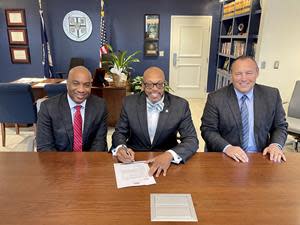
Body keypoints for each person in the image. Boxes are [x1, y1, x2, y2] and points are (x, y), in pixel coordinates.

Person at [111, 66, 199, 177]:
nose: (155, 89)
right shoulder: (129, 103)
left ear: (164, 85)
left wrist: (169, 154)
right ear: (142, 86)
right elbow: (120, 132)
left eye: (159, 84)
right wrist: (121, 148)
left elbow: (191, 140)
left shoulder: (180, 105)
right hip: (135, 159)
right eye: (149, 85)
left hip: (168, 162)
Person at [200, 56, 288, 163]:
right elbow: (208, 130)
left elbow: (280, 126)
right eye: (238, 74)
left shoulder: (271, 95)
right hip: (228, 157)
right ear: (231, 75)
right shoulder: (215, 98)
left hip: (262, 155)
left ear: (257, 73)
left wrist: (275, 145)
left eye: (249, 73)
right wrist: (227, 148)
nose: (244, 78)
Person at [36, 66, 108, 151]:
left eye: (86, 85)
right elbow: (45, 147)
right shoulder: (48, 108)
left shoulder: (100, 106)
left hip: (89, 160)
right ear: (67, 84)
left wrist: (89, 163)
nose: (81, 90)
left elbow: (99, 143)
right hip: (58, 161)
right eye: (76, 83)